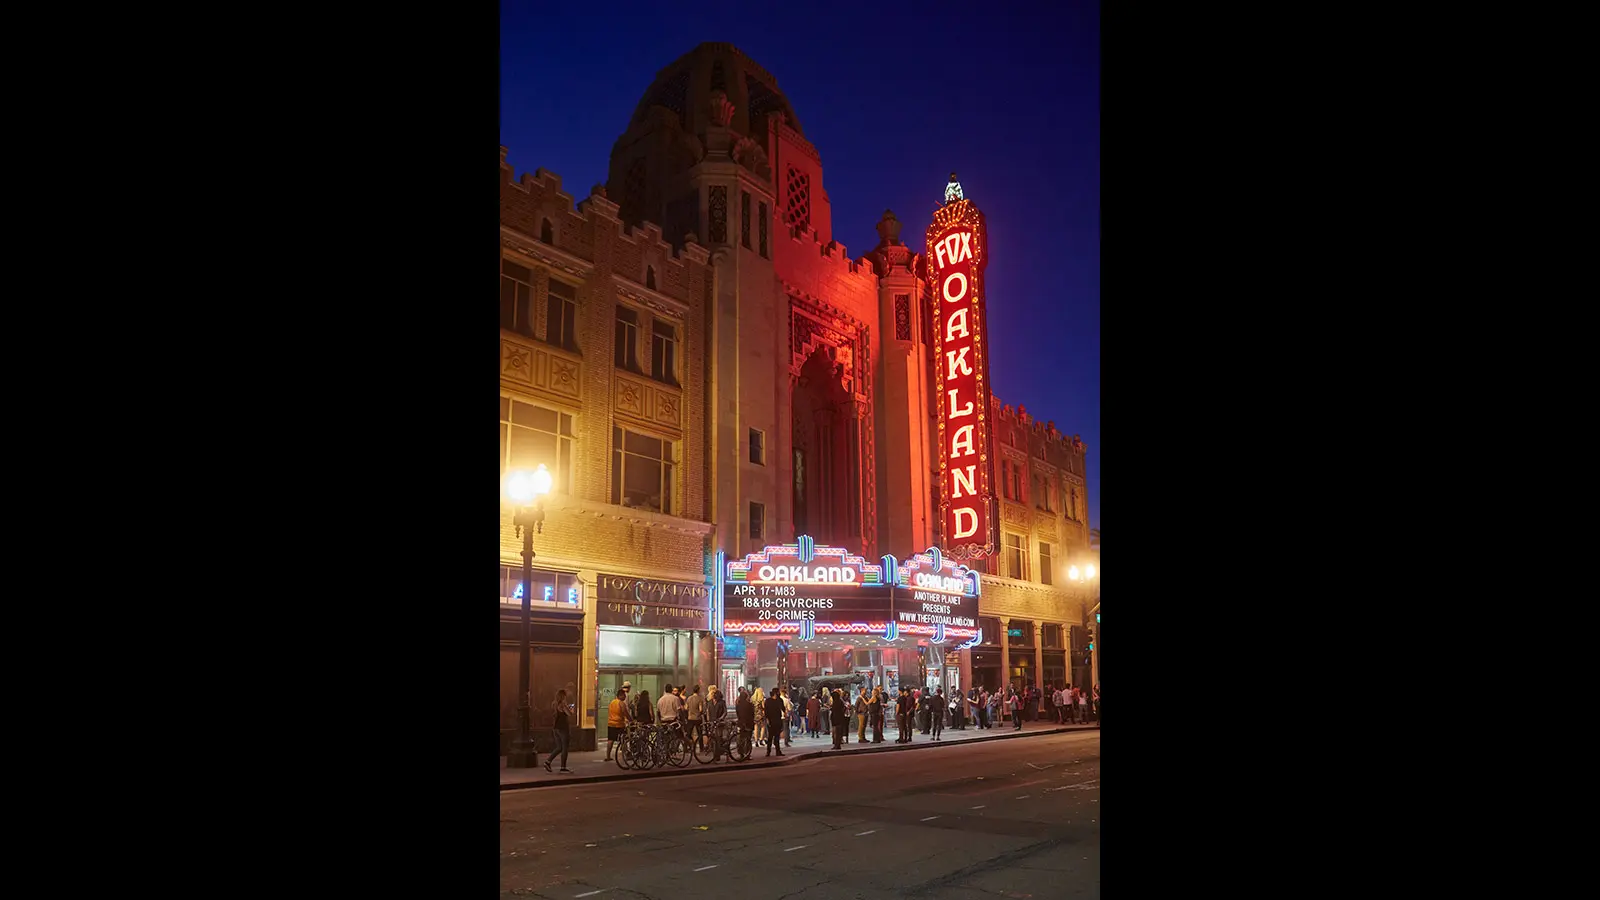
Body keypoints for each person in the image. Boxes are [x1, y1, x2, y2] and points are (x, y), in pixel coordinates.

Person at [544, 689, 573, 773]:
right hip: (563, 728)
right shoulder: (563, 704)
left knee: (559, 747)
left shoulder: (554, 704)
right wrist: (570, 708)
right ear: (563, 696)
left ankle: (548, 761)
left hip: (556, 728)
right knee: (564, 748)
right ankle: (563, 767)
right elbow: (569, 713)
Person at [604, 684, 630, 761]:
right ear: (620, 695)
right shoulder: (621, 703)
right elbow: (626, 713)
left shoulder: (612, 702)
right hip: (619, 724)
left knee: (610, 740)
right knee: (624, 740)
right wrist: (631, 720)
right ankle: (626, 755)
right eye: (624, 695)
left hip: (611, 724)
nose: (625, 697)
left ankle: (608, 756)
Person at [706, 687, 728, 761]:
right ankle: (716, 753)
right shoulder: (709, 702)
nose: (714, 697)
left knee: (718, 738)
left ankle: (717, 755)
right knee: (713, 739)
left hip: (719, 723)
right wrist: (708, 720)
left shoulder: (722, 702)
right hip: (712, 722)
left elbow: (725, 712)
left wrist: (721, 718)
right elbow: (708, 712)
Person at [763, 686, 787, 757]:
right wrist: (767, 719)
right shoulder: (769, 701)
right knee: (771, 737)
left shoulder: (778, 700)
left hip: (776, 720)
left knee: (776, 736)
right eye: (778, 692)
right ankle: (769, 751)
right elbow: (766, 711)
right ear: (775, 693)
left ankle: (777, 751)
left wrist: (785, 714)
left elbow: (783, 708)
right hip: (772, 720)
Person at [735, 687, 755, 759]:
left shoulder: (738, 704)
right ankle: (747, 754)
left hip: (741, 723)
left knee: (741, 738)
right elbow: (752, 714)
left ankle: (741, 753)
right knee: (748, 739)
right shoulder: (749, 704)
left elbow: (738, 714)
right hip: (748, 723)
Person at [686, 684, 706, 753]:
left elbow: (686, 708)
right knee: (699, 733)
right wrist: (700, 713)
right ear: (698, 690)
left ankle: (688, 747)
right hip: (697, 719)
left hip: (690, 718)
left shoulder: (689, 698)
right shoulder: (699, 699)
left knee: (688, 734)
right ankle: (701, 748)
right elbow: (700, 709)